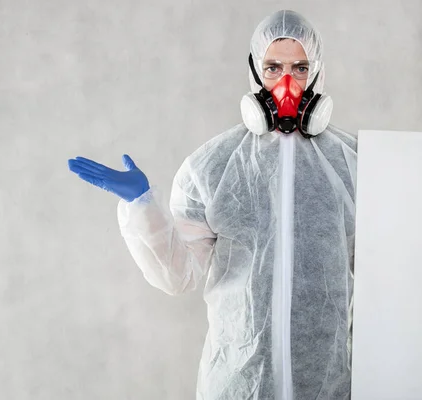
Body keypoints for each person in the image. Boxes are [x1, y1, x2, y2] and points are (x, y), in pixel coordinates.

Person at [68, 9, 356, 400]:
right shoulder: (212, 166)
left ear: (317, 71)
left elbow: (384, 275)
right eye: (273, 67)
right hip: (240, 384)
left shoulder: (353, 163)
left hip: (329, 384)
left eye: (299, 67)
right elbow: (180, 274)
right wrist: (141, 205)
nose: (287, 83)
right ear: (255, 70)